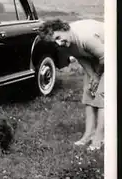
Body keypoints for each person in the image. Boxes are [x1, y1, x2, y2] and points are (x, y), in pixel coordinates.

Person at [38, 18, 105, 151]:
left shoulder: (85, 37)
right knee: (89, 94)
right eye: (54, 41)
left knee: (102, 97)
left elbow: (105, 57)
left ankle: (99, 137)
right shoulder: (66, 41)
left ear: (64, 29)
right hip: (96, 57)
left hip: (111, 55)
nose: (58, 43)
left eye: (58, 37)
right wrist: (92, 76)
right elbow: (81, 57)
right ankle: (88, 134)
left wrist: (97, 76)